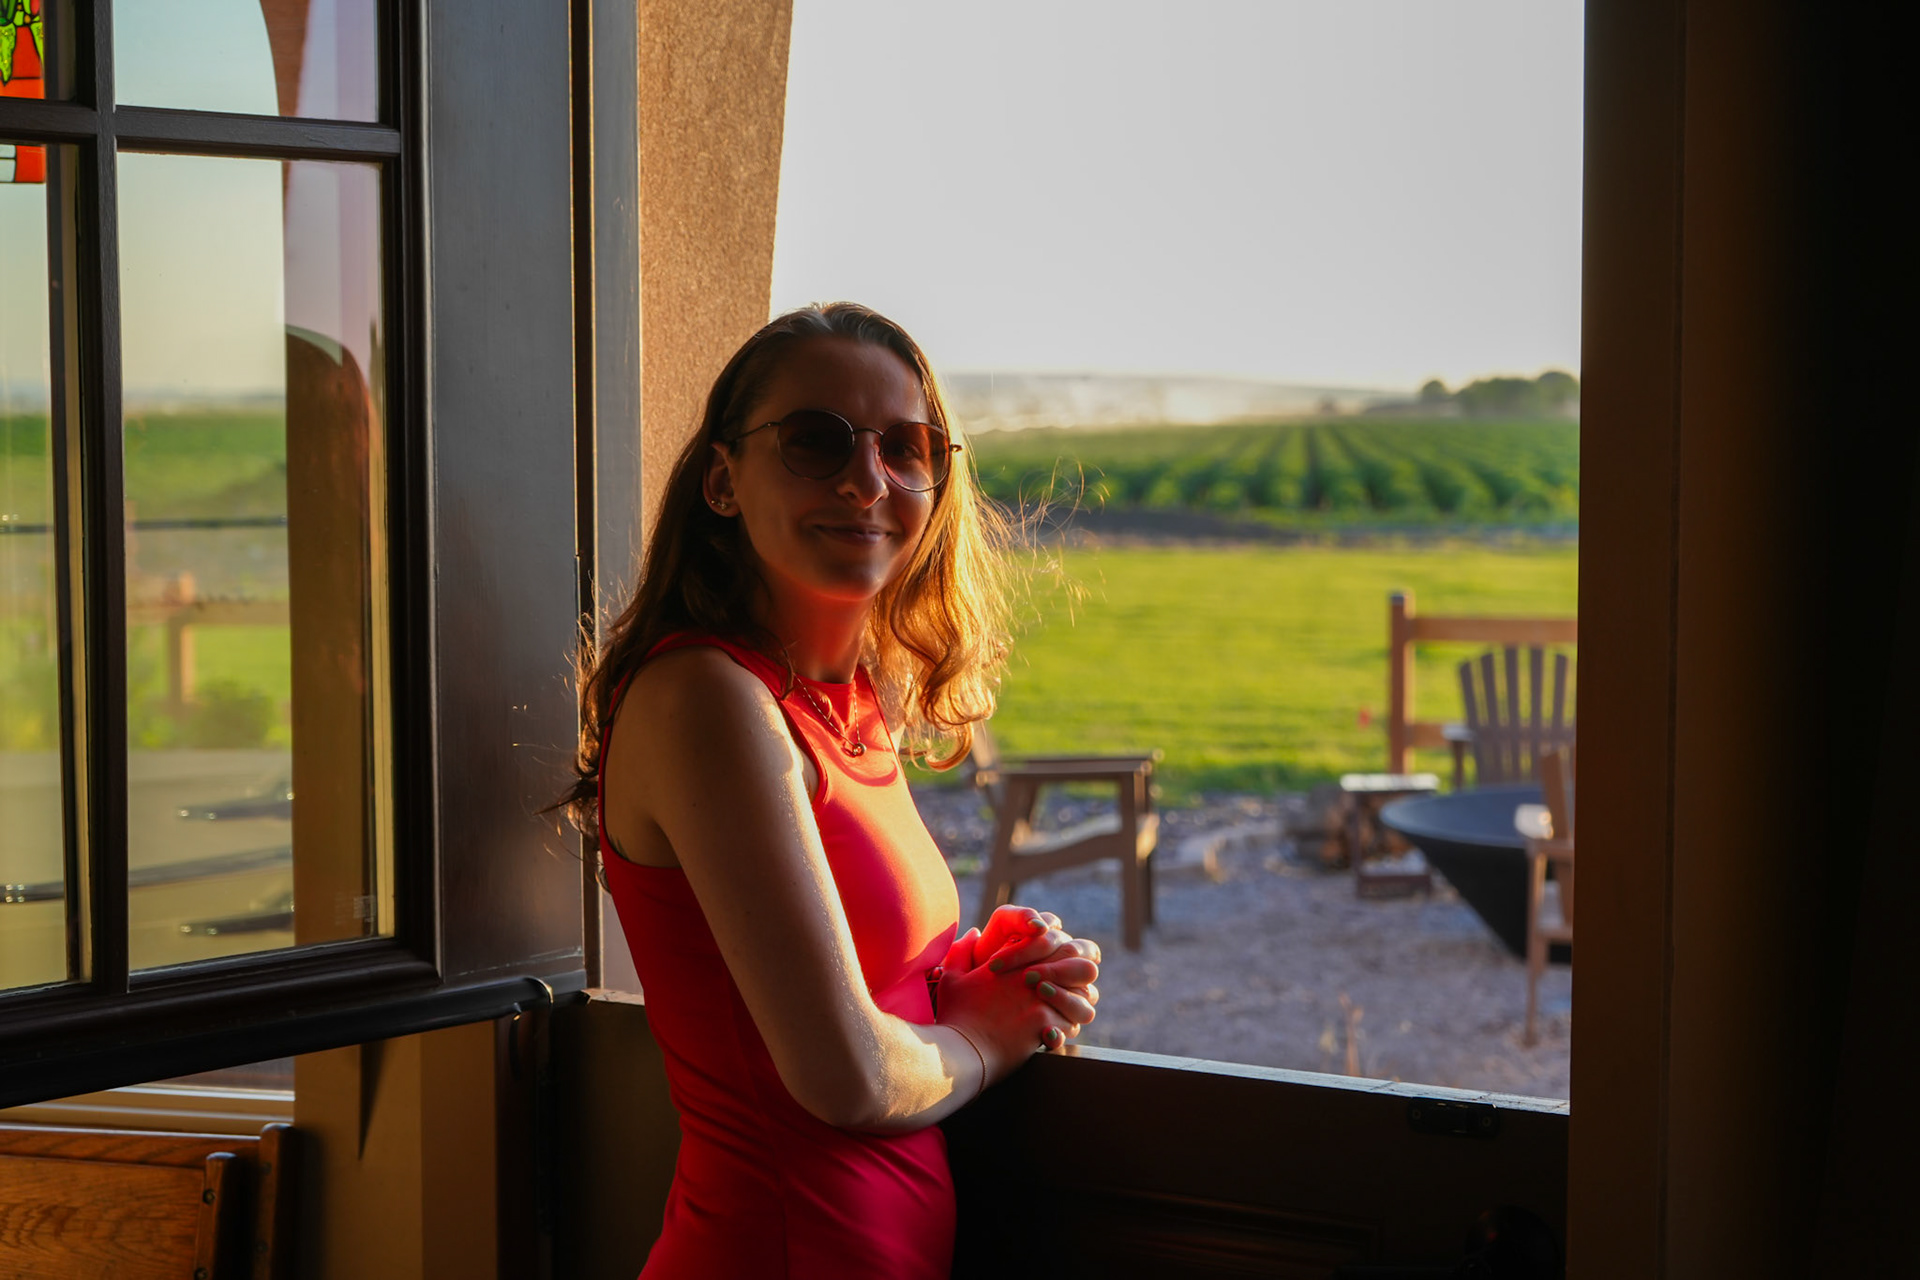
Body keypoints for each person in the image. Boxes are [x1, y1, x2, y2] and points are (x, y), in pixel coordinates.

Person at [558, 302, 1102, 1277]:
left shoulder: (841, 702)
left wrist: (987, 974)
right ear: (722, 481)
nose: (867, 479)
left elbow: (852, 986)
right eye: (816, 440)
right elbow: (845, 1077)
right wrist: (986, 1035)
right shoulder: (707, 699)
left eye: (906, 446)